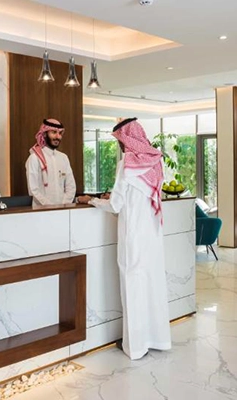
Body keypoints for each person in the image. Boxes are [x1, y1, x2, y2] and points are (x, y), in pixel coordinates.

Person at [76, 118, 171, 360]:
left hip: (133, 235)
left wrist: (92, 200)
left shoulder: (127, 163)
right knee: (152, 285)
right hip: (153, 235)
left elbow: (116, 205)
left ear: (126, 139)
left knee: (132, 286)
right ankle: (158, 339)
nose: (120, 145)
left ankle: (135, 346)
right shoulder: (156, 160)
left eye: (120, 140)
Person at [25, 118, 76, 206]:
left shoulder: (63, 158)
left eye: (60, 133)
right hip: (42, 210)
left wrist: (63, 205)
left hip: (63, 209)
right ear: (44, 134)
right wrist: (51, 207)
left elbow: (71, 186)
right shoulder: (34, 158)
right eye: (54, 132)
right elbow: (33, 190)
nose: (58, 137)